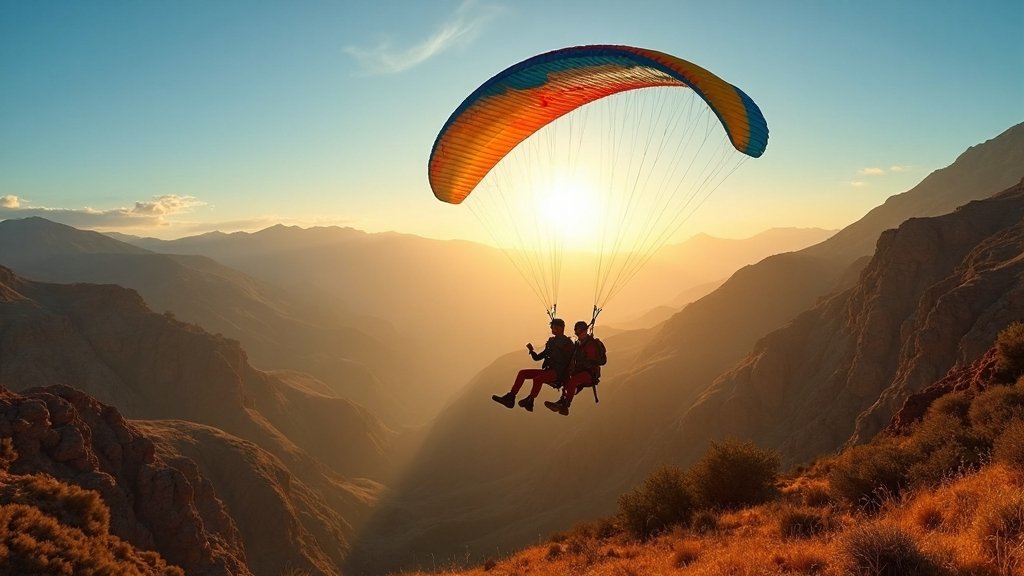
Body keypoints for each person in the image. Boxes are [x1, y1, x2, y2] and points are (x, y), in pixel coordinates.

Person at [492, 318, 573, 411]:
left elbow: (570, 361)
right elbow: (538, 358)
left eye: (554, 327)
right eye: (552, 327)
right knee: (522, 373)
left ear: (560, 328)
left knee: (538, 379)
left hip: (558, 373)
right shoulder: (552, 342)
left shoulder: (567, 343)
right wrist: (531, 351)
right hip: (549, 370)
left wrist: (565, 378)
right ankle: (511, 397)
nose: (552, 329)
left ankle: (530, 400)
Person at [544, 320, 602, 416]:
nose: (577, 333)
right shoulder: (579, 344)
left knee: (573, 381)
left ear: (584, 331)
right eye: (576, 330)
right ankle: (561, 401)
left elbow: (592, 361)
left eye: (578, 330)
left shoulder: (590, 344)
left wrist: (581, 361)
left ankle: (566, 405)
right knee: (567, 378)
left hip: (589, 373)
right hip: (580, 372)